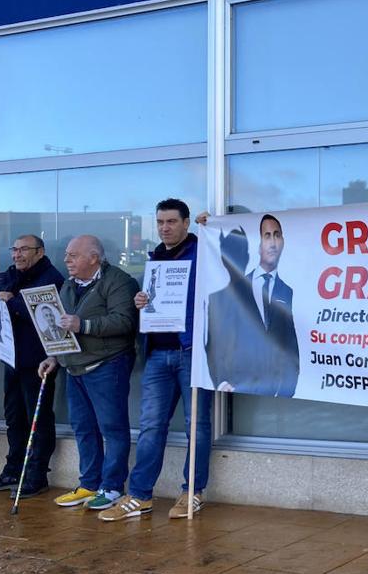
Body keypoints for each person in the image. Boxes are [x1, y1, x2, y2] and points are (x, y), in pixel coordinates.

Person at [99, 199, 211, 522]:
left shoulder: (203, 252)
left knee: (197, 427)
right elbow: (153, 302)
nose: (165, 227)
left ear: (186, 223)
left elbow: (232, 256)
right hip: (158, 355)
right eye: (160, 222)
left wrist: (213, 228)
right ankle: (139, 496)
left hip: (191, 353)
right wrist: (142, 301)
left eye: (172, 222)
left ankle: (193, 492)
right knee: (150, 427)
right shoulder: (154, 258)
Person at [39, 234, 139, 512]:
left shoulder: (119, 281)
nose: (67, 259)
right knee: (83, 428)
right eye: (67, 255)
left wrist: (84, 325)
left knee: (112, 428)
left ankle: (113, 487)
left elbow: (125, 321)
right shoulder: (68, 286)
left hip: (107, 364)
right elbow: (61, 327)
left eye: (73, 255)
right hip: (74, 367)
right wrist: (54, 357)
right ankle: (89, 484)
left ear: (94, 257)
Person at [0, 234, 65, 498]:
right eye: (14, 249)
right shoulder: (13, 275)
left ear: (40, 251)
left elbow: (41, 313)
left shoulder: (51, 277)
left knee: (37, 419)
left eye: (24, 250)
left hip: (39, 361)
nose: (17, 255)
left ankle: (37, 475)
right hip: (12, 358)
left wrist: (11, 301)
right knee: (14, 417)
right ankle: (13, 469)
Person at [205, 213, 299, 397]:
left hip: (275, 392)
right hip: (236, 390)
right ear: (258, 244)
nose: (273, 243)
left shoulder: (287, 291)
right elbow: (216, 343)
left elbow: (290, 344)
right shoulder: (230, 294)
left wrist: (288, 390)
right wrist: (222, 381)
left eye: (277, 235)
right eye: (267, 236)